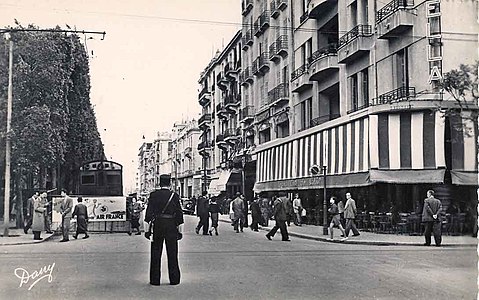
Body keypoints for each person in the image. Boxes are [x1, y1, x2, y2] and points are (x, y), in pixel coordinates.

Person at [145, 174, 184, 286]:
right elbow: (179, 214)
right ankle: (174, 279)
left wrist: (147, 230)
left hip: (158, 225)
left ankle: (155, 280)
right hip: (171, 226)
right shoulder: (174, 195)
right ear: (170, 183)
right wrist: (179, 230)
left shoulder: (153, 195)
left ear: (159, 183)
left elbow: (148, 213)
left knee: (156, 252)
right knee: (172, 252)